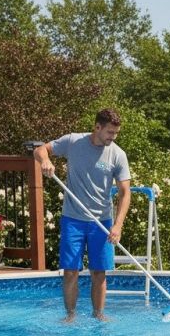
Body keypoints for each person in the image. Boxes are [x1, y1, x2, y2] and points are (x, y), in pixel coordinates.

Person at [34, 109, 131, 321]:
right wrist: (45, 161)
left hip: (102, 221)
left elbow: (125, 193)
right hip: (73, 219)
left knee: (99, 273)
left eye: (115, 133)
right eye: (109, 132)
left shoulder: (117, 154)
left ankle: (98, 314)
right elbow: (40, 149)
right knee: (70, 271)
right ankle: (70, 315)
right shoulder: (73, 142)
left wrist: (118, 225)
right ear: (97, 127)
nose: (113, 137)